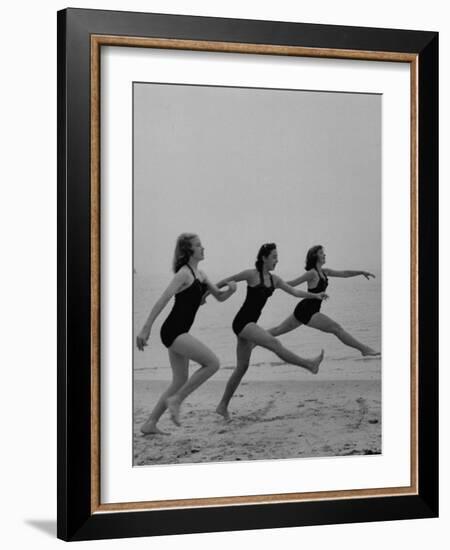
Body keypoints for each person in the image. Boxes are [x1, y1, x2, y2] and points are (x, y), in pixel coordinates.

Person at [136, 233, 237, 433]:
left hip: (179, 331)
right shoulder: (184, 274)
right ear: (189, 250)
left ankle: (150, 423)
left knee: (180, 380)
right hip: (173, 331)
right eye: (198, 245)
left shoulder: (202, 275)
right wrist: (146, 327)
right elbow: (163, 299)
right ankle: (177, 400)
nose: (203, 248)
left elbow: (219, 296)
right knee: (212, 363)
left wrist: (231, 290)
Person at [214, 243, 327, 420]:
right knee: (275, 344)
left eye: (277, 256)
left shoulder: (275, 280)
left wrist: (315, 296)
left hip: (249, 325)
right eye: (274, 256)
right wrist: (206, 295)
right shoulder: (251, 274)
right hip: (242, 322)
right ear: (264, 258)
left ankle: (222, 406)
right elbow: (225, 281)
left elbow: (295, 292)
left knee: (241, 367)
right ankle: (309, 365)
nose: (277, 260)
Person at [268, 245, 380, 356]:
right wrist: (272, 285)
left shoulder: (324, 272)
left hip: (306, 309)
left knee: (278, 330)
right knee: (336, 328)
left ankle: (253, 338)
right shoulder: (312, 273)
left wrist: (361, 272)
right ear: (315, 256)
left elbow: (344, 274)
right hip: (308, 310)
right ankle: (364, 349)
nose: (324, 255)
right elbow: (293, 283)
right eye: (321, 253)